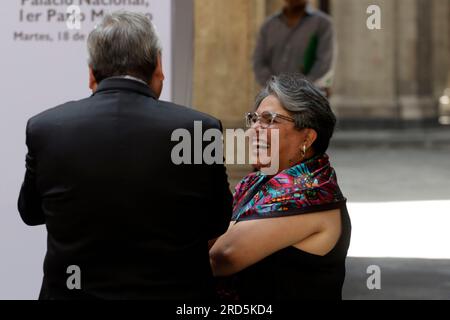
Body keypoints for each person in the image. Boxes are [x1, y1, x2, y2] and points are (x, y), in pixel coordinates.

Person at [18, 11, 232, 300]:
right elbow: (217, 222)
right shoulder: (199, 129)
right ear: (158, 64)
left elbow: (30, 213)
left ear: (91, 73)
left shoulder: (45, 128)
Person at [210, 73, 351, 300]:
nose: (252, 131)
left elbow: (223, 256)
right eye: (254, 120)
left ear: (306, 138)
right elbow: (214, 235)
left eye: (270, 120)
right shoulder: (257, 181)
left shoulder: (310, 192)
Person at [253, 0, 335, 97]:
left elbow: (323, 63)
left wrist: (296, 90)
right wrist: (275, 87)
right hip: (274, 95)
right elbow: (259, 62)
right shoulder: (269, 25)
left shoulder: (322, 23)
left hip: (307, 97)